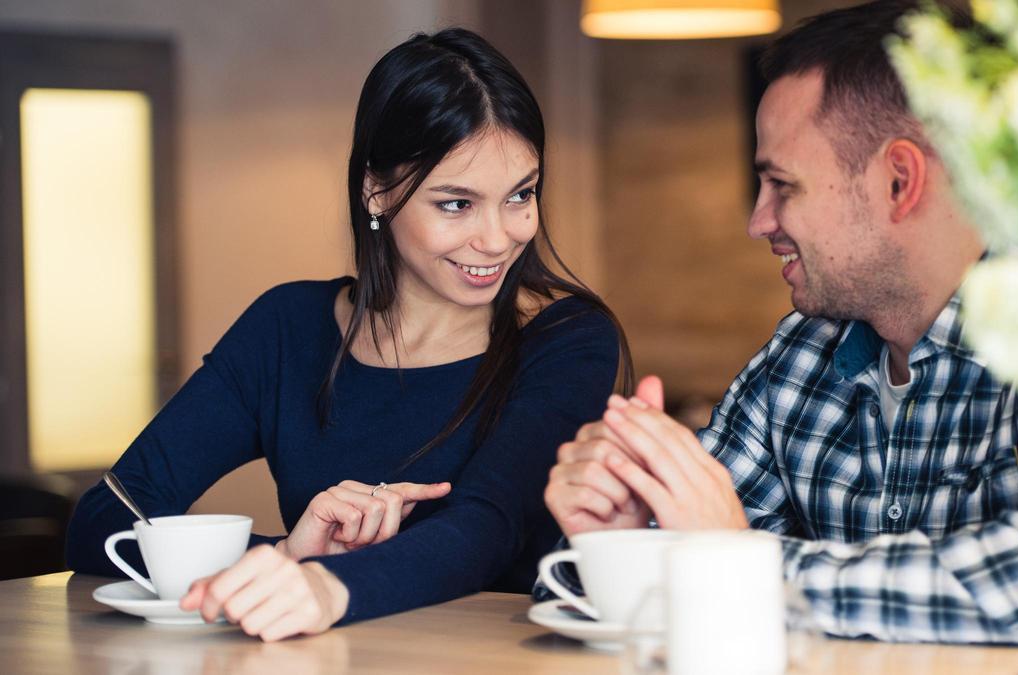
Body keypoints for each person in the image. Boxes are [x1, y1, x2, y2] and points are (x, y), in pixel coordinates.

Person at [541, 0, 1018, 645]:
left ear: (898, 182)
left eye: (782, 185)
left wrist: (737, 565)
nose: (758, 222)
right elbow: (662, 566)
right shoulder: (796, 359)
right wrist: (618, 540)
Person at [66, 27, 630, 642]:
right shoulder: (288, 327)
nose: (497, 239)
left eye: (521, 194)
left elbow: (487, 532)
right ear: (377, 191)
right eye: (456, 204)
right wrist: (285, 557)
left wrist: (326, 584)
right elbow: (108, 517)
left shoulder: (566, 338)